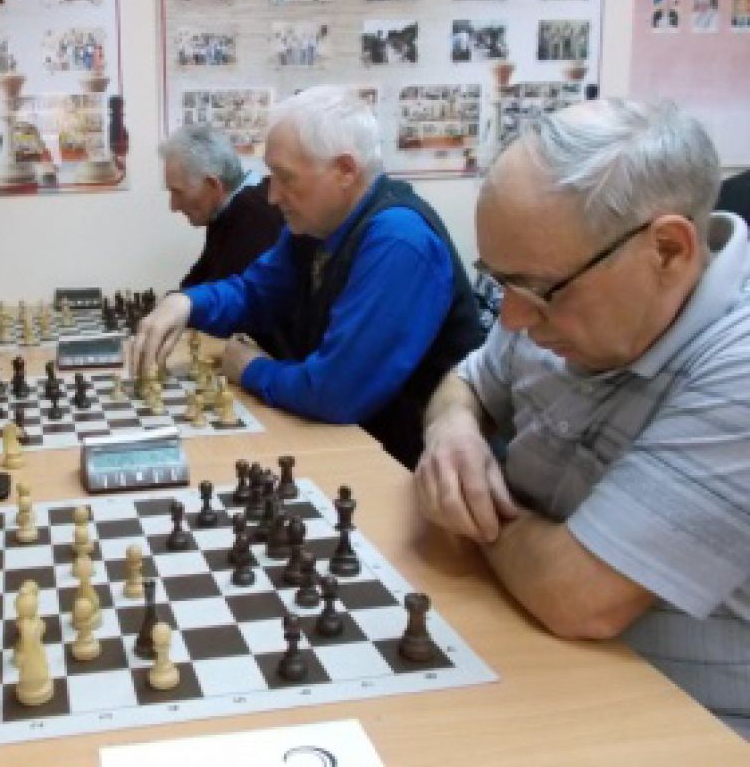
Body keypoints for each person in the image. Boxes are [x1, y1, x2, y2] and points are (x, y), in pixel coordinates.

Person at [416, 99, 750, 740]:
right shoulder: (556, 302)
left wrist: (477, 511)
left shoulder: (737, 361)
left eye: (537, 291)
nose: (513, 319)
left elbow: (575, 594)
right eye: (499, 283)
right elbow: (469, 381)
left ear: (668, 250)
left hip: (686, 724)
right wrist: (451, 431)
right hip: (535, 653)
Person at [132, 86, 483, 469]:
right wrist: (186, 302)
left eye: (286, 178)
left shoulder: (398, 241)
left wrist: (250, 368)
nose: (272, 196)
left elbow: (336, 392)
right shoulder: (316, 226)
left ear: (345, 170)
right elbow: (254, 293)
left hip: (406, 463)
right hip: (350, 441)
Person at [161, 124, 284, 290]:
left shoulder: (254, 215)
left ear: (213, 185)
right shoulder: (224, 212)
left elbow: (225, 298)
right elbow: (195, 284)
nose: (173, 206)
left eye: (178, 192)